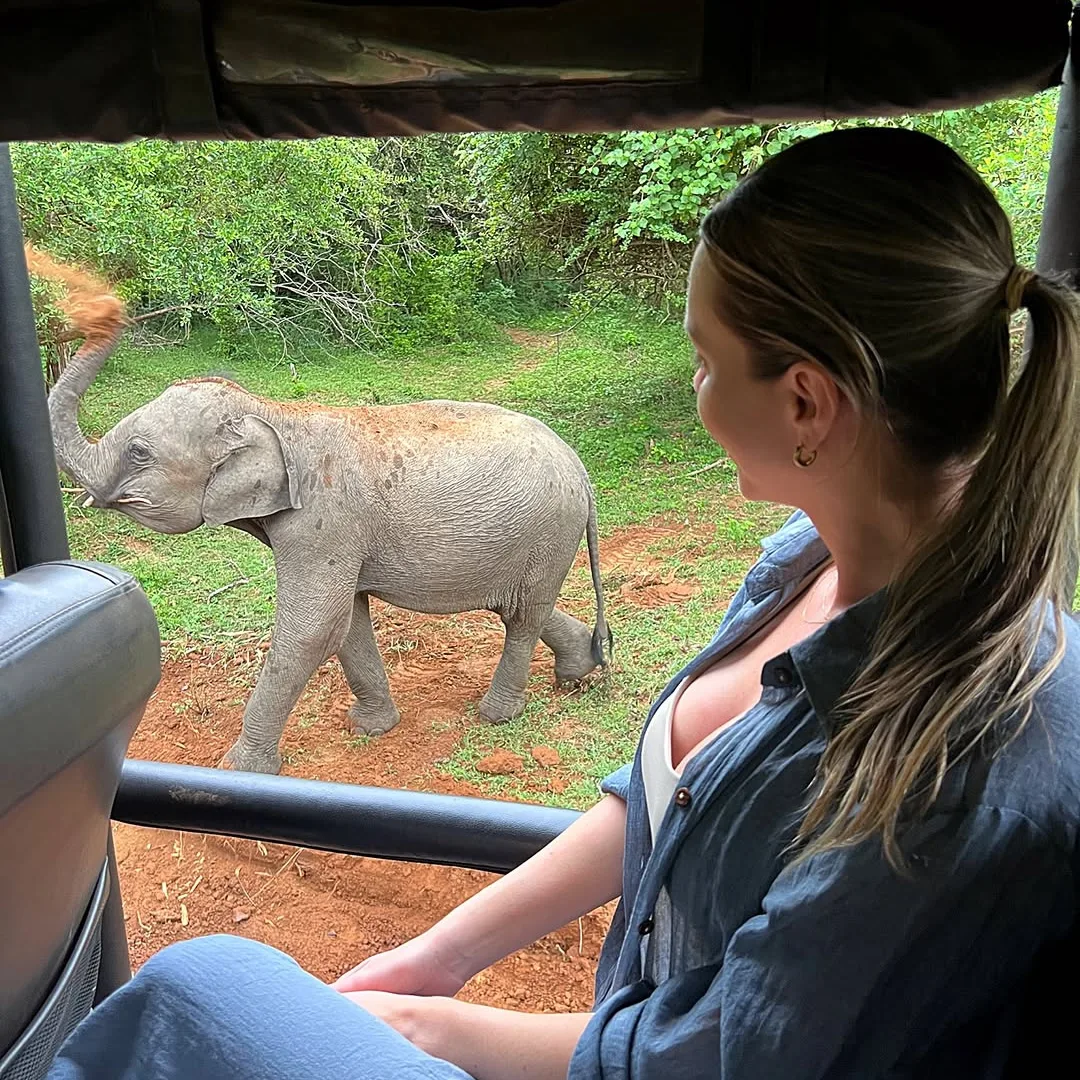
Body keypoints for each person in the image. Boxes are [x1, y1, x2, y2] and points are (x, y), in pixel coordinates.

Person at [49, 126, 1080, 1080]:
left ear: (806, 403)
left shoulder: (955, 764)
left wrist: (431, 1028)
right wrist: (440, 953)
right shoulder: (798, 564)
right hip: (616, 1020)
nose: (694, 389)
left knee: (199, 984)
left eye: (705, 362)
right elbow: (666, 793)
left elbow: (734, 1053)